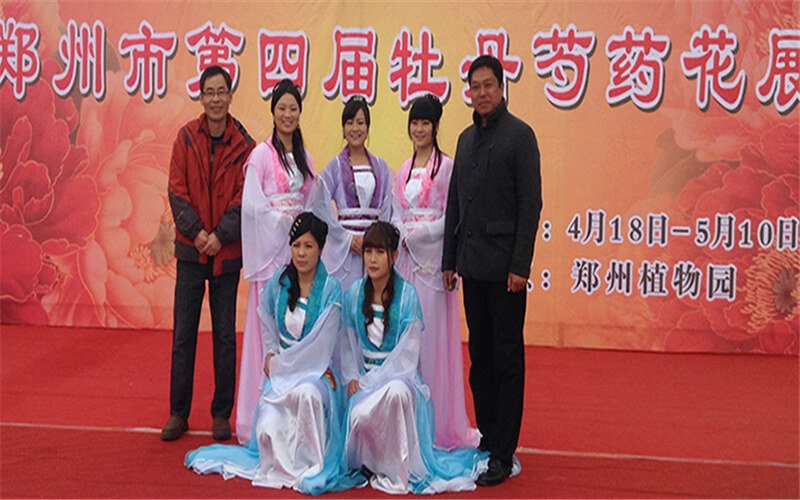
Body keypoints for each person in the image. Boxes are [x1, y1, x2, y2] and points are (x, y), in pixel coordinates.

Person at [186, 212, 348, 494]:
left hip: (316, 372)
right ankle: (284, 465)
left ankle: (310, 464)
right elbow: (266, 318)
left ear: (321, 249)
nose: (301, 253)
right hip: (282, 370)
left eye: (308, 246)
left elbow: (323, 345)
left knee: (308, 395)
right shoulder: (279, 283)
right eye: (296, 245)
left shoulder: (331, 288)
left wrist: (285, 366)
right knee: (267, 428)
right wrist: (272, 353)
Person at [442, 55, 543, 486]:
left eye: (489, 85)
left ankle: (503, 450)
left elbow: (530, 205)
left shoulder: (520, 136)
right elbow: (454, 203)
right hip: (472, 267)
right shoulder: (465, 140)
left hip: (506, 273)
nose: (481, 93)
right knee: (480, 357)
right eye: (475, 86)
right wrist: (449, 260)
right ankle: (487, 435)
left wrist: (520, 265)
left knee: (506, 359)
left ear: (502, 88)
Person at [338, 222, 487, 495]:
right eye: (368, 252)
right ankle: (370, 462)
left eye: (380, 252)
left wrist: (373, 381)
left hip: (399, 379)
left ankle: (397, 469)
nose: (372, 259)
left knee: (396, 393)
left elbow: (408, 357)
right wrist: (352, 378)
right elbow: (346, 344)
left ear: (394, 256)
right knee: (358, 412)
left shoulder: (407, 296)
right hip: (365, 380)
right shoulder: (354, 294)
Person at [163, 65, 254, 442]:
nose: (216, 99)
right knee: (184, 335)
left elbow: (245, 197)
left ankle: (221, 414)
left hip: (226, 255)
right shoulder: (185, 138)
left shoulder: (245, 145)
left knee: (225, 338)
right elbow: (176, 191)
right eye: (209, 92)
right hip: (191, 252)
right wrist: (199, 234)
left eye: (221, 92)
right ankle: (178, 413)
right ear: (201, 97)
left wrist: (220, 236)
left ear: (231, 96)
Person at [391, 94, 479, 449]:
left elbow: (452, 216)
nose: (419, 129)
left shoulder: (447, 168)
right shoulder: (403, 169)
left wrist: (422, 233)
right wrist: (401, 231)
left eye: (425, 123)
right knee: (406, 339)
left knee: (432, 342)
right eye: (414, 123)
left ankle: (438, 426)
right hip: (406, 264)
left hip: (432, 266)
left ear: (436, 126)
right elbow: (395, 210)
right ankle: (406, 423)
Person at [236, 79, 322, 443]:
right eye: (282, 107)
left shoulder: (305, 158)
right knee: (270, 328)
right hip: (272, 253)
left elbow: (313, 203)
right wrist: (282, 223)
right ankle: (261, 417)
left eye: (293, 108)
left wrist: (304, 236)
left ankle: (296, 418)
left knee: (299, 328)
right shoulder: (260, 155)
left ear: (300, 113)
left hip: (298, 253)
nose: (288, 114)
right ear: (273, 112)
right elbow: (253, 207)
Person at [319, 95, 393, 291]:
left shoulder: (381, 167)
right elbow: (321, 205)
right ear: (343, 129)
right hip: (345, 248)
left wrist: (376, 240)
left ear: (368, 127)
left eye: (360, 122)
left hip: (373, 248)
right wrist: (347, 238)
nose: (355, 128)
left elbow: (388, 206)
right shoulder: (335, 166)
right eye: (350, 123)